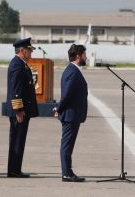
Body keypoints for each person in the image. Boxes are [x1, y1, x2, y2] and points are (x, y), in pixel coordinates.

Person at [54, 44, 88, 182]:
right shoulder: (72, 72)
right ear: (78, 56)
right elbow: (67, 95)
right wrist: (58, 109)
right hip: (70, 115)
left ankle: (67, 171)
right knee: (66, 146)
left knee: (68, 146)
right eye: (84, 54)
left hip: (73, 115)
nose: (86, 56)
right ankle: (66, 173)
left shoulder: (73, 70)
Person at [6, 37, 38, 178]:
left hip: (22, 110)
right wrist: (18, 109)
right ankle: (14, 170)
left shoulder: (21, 64)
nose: (31, 53)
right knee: (17, 140)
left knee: (20, 140)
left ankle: (16, 169)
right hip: (19, 112)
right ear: (22, 50)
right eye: (29, 50)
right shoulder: (17, 65)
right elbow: (16, 89)